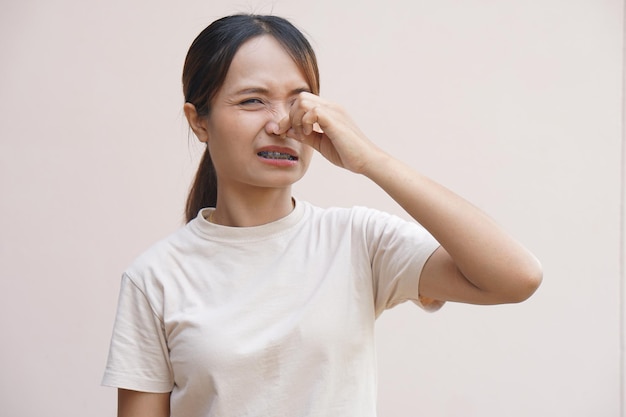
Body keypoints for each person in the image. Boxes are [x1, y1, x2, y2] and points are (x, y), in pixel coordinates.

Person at [102, 13, 542, 417]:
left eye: (298, 102)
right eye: (253, 101)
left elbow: (516, 277)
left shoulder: (357, 241)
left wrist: (369, 159)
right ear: (199, 121)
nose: (280, 123)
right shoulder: (155, 278)